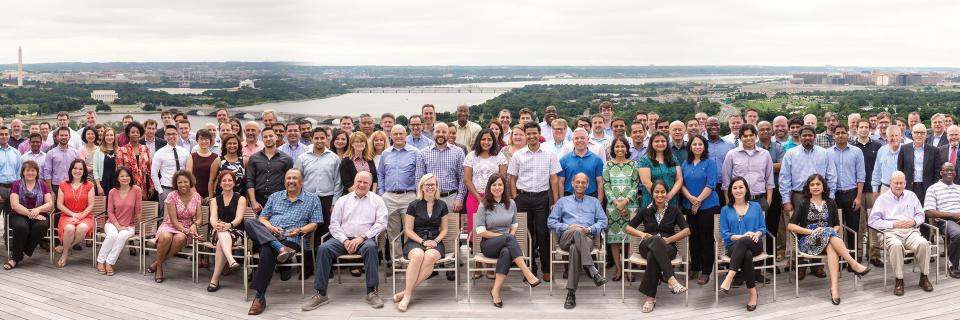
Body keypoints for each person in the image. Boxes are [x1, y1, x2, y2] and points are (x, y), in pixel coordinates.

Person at [302, 172, 387, 312]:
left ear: (370, 184)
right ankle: (321, 294)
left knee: (371, 248)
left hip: (365, 239)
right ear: (354, 182)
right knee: (323, 248)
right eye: (359, 181)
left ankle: (372, 292)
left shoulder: (377, 200)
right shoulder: (343, 200)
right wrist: (345, 240)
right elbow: (334, 225)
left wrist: (363, 237)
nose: (361, 184)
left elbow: (381, 223)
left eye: (365, 182)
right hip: (343, 239)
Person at [244, 169, 321, 315]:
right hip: (270, 233)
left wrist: (299, 230)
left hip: (291, 239)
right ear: (284, 181)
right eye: (288, 178)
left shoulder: (312, 199)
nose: (291, 181)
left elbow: (315, 223)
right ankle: (279, 247)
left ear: (302, 181)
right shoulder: (275, 196)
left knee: (267, 249)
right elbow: (262, 218)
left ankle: (260, 297)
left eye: (295, 178)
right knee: (249, 222)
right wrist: (271, 228)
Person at [786, 174, 871, 305]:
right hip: (808, 241)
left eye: (818, 184)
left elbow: (837, 225)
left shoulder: (831, 203)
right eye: (812, 185)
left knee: (831, 241)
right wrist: (812, 231)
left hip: (828, 240)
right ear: (808, 188)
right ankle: (853, 263)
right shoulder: (803, 203)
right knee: (829, 232)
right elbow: (791, 225)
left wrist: (829, 231)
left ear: (823, 187)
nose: (815, 187)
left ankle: (834, 288)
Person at [475, 173, 542, 308]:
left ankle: (495, 291)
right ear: (489, 187)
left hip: (507, 244)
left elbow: (514, 226)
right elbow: (480, 231)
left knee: (506, 252)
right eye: (494, 185)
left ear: (504, 187)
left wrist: (507, 237)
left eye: (500, 184)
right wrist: (503, 237)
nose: (497, 187)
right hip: (489, 245)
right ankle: (527, 272)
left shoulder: (511, 203)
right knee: (509, 238)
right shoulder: (483, 205)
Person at [625, 180, 691, 313]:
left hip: (668, 247)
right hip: (646, 244)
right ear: (652, 193)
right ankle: (671, 279)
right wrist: (641, 234)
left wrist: (669, 240)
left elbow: (686, 231)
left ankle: (650, 298)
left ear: (667, 194)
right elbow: (628, 227)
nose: (659, 195)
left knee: (653, 255)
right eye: (657, 192)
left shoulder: (674, 210)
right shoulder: (645, 210)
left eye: (662, 192)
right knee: (655, 240)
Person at [508, 122, 561, 281]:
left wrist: (556, 201)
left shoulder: (549, 153)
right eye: (528, 134)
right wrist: (515, 196)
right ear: (525, 135)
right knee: (525, 234)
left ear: (539, 134)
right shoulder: (518, 155)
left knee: (543, 233)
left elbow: (554, 178)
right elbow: (512, 179)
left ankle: (546, 268)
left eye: (534, 133)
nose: (531, 136)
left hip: (542, 198)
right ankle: (530, 268)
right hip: (523, 198)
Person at [547, 173, 608, 310]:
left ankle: (571, 293)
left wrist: (590, 229)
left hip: (587, 238)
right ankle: (592, 269)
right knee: (576, 231)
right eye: (578, 182)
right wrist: (568, 227)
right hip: (566, 237)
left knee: (575, 249)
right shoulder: (562, 201)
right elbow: (551, 221)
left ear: (587, 185)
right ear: (572, 184)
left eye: (583, 182)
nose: (580, 185)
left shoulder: (594, 202)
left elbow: (604, 222)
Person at [868, 171, 933, 296]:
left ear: (905, 183)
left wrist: (913, 221)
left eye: (901, 183)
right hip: (890, 232)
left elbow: (921, 215)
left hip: (910, 232)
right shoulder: (882, 199)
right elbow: (872, 221)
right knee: (896, 245)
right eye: (896, 183)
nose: (898, 185)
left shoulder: (912, 196)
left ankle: (924, 277)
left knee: (924, 243)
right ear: (890, 183)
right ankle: (899, 280)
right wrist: (893, 224)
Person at [392, 174, 450, 311]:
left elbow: (445, 229)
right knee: (418, 256)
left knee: (429, 257)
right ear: (422, 187)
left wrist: (435, 241)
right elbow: (408, 230)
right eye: (427, 185)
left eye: (433, 184)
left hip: (435, 241)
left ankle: (406, 293)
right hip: (415, 240)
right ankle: (407, 295)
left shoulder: (442, 205)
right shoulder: (413, 205)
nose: (430, 187)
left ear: (436, 187)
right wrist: (423, 242)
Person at [718, 177, 764, 312]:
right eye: (735, 188)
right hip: (733, 246)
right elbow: (725, 234)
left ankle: (729, 277)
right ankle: (753, 294)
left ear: (746, 189)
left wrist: (757, 234)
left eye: (741, 187)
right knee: (746, 254)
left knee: (747, 245)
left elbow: (762, 228)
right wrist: (743, 236)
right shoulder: (725, 209)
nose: (738, 190)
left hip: (755, 243)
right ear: (731, 191)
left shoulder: (756, 206)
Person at [680, 135, 721, 285]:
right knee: (693, 237)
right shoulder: (685, 163)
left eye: (700, 144)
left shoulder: (710, 163)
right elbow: (682, 184)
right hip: (688, 205)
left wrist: (697, 201)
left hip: (708, 206)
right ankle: (695, 266)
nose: (697, 146)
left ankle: (706, 271)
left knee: (706, 238)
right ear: (690, 146)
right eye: (694, 144)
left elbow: (711, 185)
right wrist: (691, 198)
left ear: (704, 147)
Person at [149, 170, 201, 282]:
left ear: (190, 182)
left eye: (185, 182)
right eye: (180, 182)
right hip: (170, 224)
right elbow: (173, 220)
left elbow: (199, 218)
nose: (183, 184)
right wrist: (186, 231)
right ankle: (159, 268)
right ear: (176, 184)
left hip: (187, 226)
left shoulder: (196, 196)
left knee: (180, 238)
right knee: (165, 237)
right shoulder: (172, 195)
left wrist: (194, 226)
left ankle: (157, 263)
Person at [296, 127, 342, 247]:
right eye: (316, 138)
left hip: (327, 199)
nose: (319, 140)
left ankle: (325, 261)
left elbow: (338, 182)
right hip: (307, 199)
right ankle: (309, 264)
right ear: (312, 139)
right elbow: (297, 180)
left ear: (327, 139)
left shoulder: (334, 158)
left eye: (322, 138)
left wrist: (334, 202)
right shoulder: (302, 158)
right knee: (307, 232)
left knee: (326, 231)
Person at [4, 161, 53, 270]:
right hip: (19, 214)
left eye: (33, 170)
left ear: (37, 172)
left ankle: (20, 252)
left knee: (41, 227)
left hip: (39, 212)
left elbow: (49, 203)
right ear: (23, 172)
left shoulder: (43, 184)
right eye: (28, 170)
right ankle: (15, 258)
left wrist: (38, 209)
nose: (30, 173)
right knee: (21, 227)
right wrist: (32, 214)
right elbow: (14, 205)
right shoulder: (16, 184)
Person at [602, 136, 639, 280]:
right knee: (615, 240)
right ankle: (618, 269)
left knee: (630, 239)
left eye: (622, 146)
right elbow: (606, 185)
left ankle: (629, 269)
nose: (620, 149)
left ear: (627, 148)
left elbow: (636, 185)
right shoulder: (608, 165)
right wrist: (617, 203)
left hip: (631, 206)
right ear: (613, 149)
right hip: (613, 207)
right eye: (617, 146)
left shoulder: (633, 164)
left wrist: (625, 202)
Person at [95, 166, 142, 275]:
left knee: (121, 235)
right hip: (112, 223)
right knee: (112, 235)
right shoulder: (112, 192)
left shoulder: (136, 190)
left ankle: (109, 262)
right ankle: (100, 261)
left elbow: (138, 210)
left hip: (129, 225)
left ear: (130, 177)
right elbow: (110, 212)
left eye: (127, 176)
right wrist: (118, 226)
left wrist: (141, 228)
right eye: (122, 176)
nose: (125, 178)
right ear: (117, 178)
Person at [206, 171, 247, 292]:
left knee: (221, 242)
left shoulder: (241, 199)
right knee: (221, 233)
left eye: (230, 180)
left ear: (234, 183)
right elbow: (213, 218)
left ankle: (214, 280)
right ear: (219, 184)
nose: (227, 182)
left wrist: (228, 225)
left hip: (236, 231)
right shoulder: (214, 200)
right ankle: (231, 260)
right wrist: (217, 225)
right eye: (224, 180)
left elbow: (239, 218)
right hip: (217, 230)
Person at [464, 129, 507, 242]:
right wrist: (479, 198)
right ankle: (476, 257)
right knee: (476, 228)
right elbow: (467, 180)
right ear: (479, 140)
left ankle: (491, 252)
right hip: (475, 197)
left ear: (494, 141)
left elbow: (502, 179)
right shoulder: (471, 156)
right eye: (483, 139)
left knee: (493, 226)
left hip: (495, 197)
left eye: (489, 139)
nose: (486, 142)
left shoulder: (500, 156)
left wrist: (492, 197)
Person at [829, 124, 866, 252]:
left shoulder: (857, 152)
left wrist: (858, 197)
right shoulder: (827, 153)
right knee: (836, 228)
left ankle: (853, 257)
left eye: (843, 132)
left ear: (847, 134)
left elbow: (861, 176)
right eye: (837, 133)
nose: (840, 135)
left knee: (853, 227)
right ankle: (840, 257)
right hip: (834, 195)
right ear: (834, 135)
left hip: (852, 194)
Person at [55, 159, 95, 268]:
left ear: (84, 171)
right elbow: (59, 204)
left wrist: (81, 216)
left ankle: (65, 250)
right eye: (75, 168)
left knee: (82, 228)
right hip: (67, 215)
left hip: (85, 216)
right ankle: (65, 254)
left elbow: (91, 204)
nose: (77, 171)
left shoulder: (89, 185)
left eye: (80, 169)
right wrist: (73, 215)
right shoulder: (63, 184)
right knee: (69, 228)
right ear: (71, 170)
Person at [924, 162, 960, 278]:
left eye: (952, 170)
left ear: (955, 173)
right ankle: (953, 264)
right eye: (946, 170)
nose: (949, 172)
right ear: (941, 173)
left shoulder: (959, 188)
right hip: (944, 221)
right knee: (958, 234)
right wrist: (953, 215)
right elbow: (929, 211)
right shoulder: (933, 189)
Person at [246, 128, 294, 212]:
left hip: (279, 200)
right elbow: (250, 180)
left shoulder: (287, 159)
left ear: (276, 137)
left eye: (271, 136)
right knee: (258, 224)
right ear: (262, 139)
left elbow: (290, 182)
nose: (268, 139)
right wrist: (253, 202)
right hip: (259, 201)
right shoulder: (254, 158)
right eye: (265, 137)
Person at [638, 132, 683, 208]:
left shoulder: (673, 158)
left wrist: (670, 194)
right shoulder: (645, 160)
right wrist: (660, 196)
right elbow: (646, 182)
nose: (660, 143)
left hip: (671, 199)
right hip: (652, 200)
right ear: (651, 143)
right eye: (656, 141)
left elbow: (679, 179)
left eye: (663, 141)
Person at [898, 123, 939, 204]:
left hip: (928, 188)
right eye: (916, 132)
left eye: (922, 132)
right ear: (912, 133)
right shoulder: (904, 149)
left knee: (926, 213)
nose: (919, 135)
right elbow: (900, 170)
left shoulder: (934, 151)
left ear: (926, 134)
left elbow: (937, 172)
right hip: (909, 187)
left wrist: (934, 188)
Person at [151, 125, 189, 209]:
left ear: (178, 136)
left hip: (182, 189)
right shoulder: (159, 153)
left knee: (182, 215)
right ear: (164, 137)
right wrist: (161, 191)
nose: (171, 136)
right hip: (166, 190)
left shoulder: (185, 152)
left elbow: (188, 171)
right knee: (164, 217)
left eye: (174, 134)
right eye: (168, 134)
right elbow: (154, 173)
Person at [117, 122, 152, 200]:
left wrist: (151, 186)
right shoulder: (122, 150)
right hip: (128, 185)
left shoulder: (145, 149)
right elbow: (119, 170)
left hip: (144, 185)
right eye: (133, 132)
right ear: (128, 134)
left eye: (137, 132)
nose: (135, 134)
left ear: (140, 134)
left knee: (142, 208)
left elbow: (150, 168)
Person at [186, 129, 219, 201]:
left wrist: (211, 195)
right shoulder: (191, 156)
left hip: (211, 195)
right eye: (201, 139)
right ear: (197, 140)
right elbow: (188, 176)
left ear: (210, 141)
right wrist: (195, 194)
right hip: (194, 194)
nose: (204, 141)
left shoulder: (216, 157)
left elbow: (216, 179)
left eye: (206, 139)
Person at [0, 126, 21, 221]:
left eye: (6, 134)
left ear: (9, 135)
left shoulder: (16, 153)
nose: (4, 136)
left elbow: (18, 173)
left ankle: (6, 236)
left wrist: (16, 191)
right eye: (1, 134)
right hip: (0, 187)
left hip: (13, 188)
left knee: (10, 219)